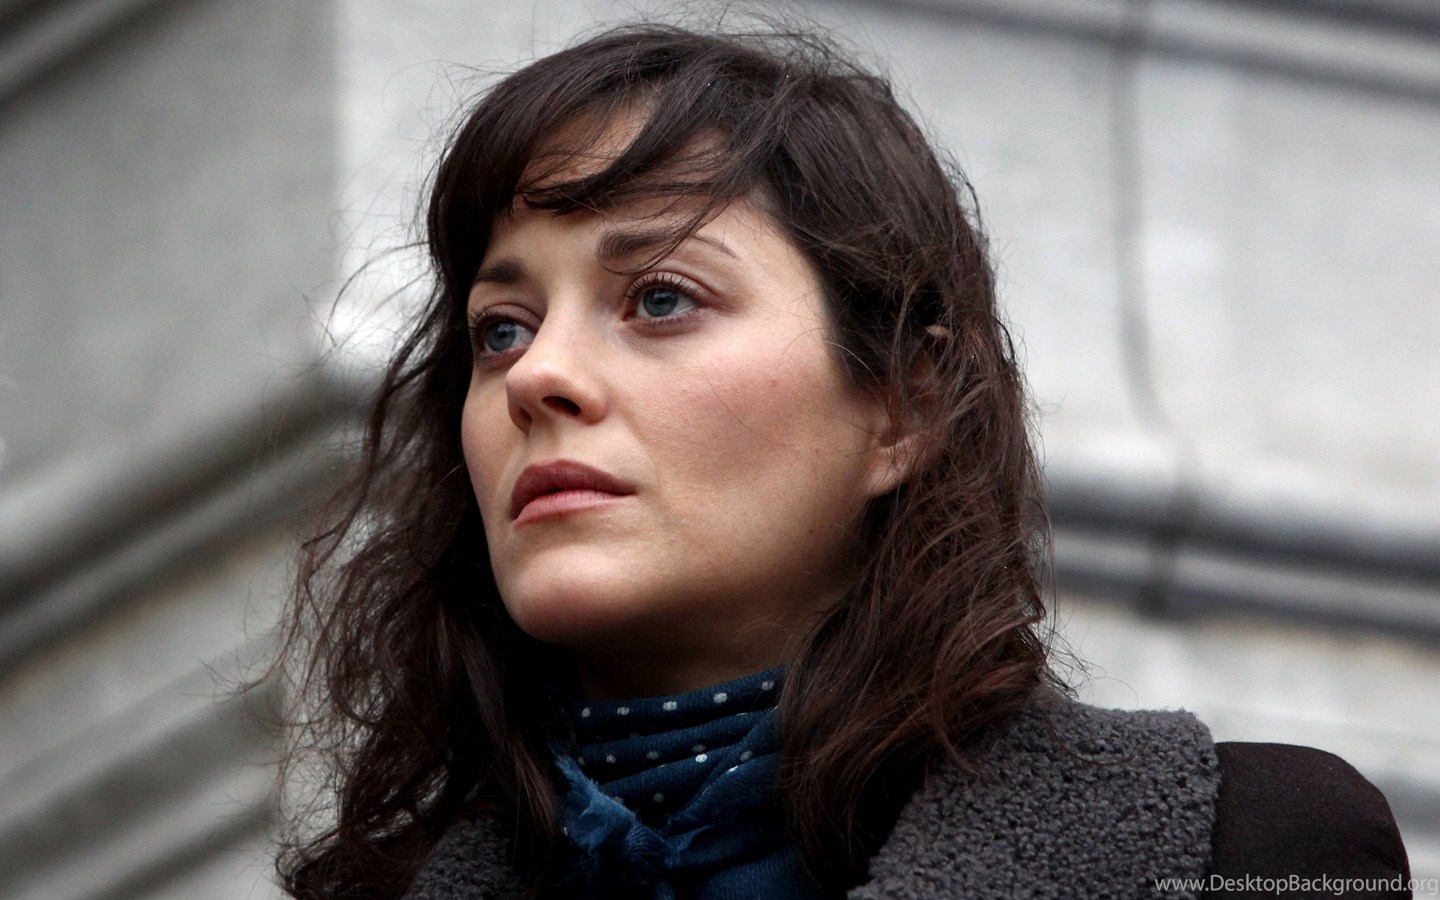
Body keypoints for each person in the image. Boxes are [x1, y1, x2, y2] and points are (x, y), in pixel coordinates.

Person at [272, 22, 1413, 900]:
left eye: (660, 298)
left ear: (905, 406)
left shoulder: (1245, 852)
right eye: (501, 329)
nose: (537, 376)